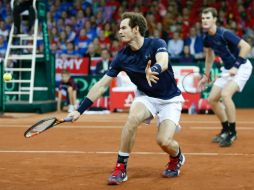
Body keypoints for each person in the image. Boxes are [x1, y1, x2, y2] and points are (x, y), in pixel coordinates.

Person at [63, 12, 185, 185]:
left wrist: (154, 70)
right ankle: (121, 167)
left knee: (164, 141)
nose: (119, 31)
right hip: (146, 97)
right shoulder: (121, 57)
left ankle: (177, 157)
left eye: (123, 28)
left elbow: (163, 61)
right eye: (119, 28)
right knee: (132, 119)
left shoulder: (156, 43)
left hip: (170, 99)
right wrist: (79, 110)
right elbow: (101, 85)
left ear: (135, 29)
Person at [199, 7, 253, 147]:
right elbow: (210, 57)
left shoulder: (224, 33)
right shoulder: (207, 39)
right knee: (212, 100)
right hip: (228, 69)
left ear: (214, 19)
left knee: (226, 94)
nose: (204, 21)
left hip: (242, 67)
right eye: (203, 18)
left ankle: (233, 133)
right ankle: (225, 129)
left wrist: (236, 66)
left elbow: (246, 46)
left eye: (208, 18)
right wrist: (206, 75)